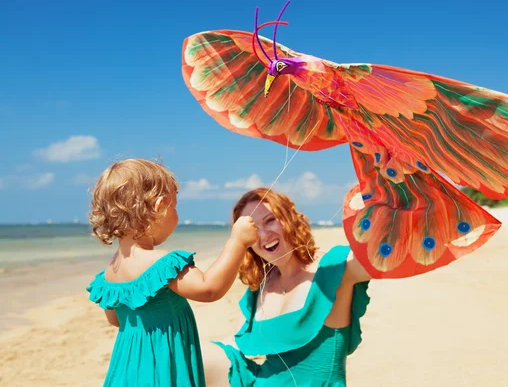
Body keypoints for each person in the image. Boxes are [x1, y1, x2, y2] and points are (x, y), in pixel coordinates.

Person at [85, 159, 258, 387]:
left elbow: (116, 319)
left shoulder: (110, 272)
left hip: (126, 370)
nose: (176, 213)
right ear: (159, 207)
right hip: (162, 371)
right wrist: (237, 242)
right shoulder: (162, 264)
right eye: (174, 206)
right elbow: (208, 289)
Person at [202, 187, 372, 386]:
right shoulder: (260, 287)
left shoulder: (332, 266)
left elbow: (382, 262)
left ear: (289, 218)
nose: (264, 235)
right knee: (193, 354)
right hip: (259, 381)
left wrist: (375, 208)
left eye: (270, 220)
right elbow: (235, 342)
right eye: (254, 230)